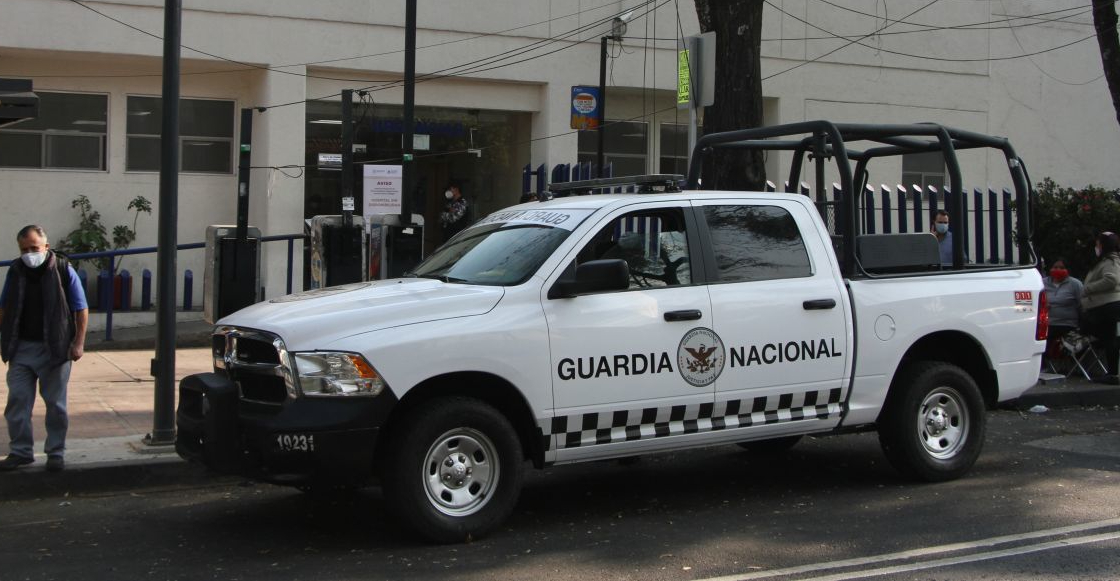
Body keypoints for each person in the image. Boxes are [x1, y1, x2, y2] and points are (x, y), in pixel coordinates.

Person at [0, 225, 88, 472]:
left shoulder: (62, 269)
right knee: (17, 400)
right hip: (21, 348)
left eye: (34, 248)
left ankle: (55, 453)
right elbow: (4, 307)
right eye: (24, 249)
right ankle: (20, 452)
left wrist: (78, 343)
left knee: (55, 405)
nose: (30, 253)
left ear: (46, 247)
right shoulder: (16, 271)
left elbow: (80, 308)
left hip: (55, 348)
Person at [1080, 232, 1120, 384]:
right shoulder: (1107, 260)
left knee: (1106, 337)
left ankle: (1112, 373)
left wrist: (1088, 289)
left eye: (1098, 244)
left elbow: (1111, 279)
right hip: (1105, 306)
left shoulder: (1110, 261)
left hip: (1107, 306)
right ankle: (1112, 372)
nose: (1096, 247)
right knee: (1109, 338)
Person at [1041, 258, 1083, 366]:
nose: (1058, 270)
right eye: (1055, 267)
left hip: (1067, 324)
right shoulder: (1042, 283)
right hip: (1046, 322)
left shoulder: (1075, 284)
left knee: (1048, 334)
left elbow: (1082, 304)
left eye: (1061, 268)